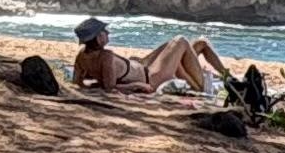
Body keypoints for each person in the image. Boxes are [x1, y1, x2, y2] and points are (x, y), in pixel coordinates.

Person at [69, 15, 261, 108]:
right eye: (104, 32)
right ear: (97, 37)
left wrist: (95, 83)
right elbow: (110, 88)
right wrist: (135, 85)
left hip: (144, 66)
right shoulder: (106, 57)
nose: (108, 34)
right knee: (181, 40)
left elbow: (77, 84)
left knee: (200, 43)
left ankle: (229, 77)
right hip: (150, 76)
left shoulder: (82, 57)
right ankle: (210, 84)